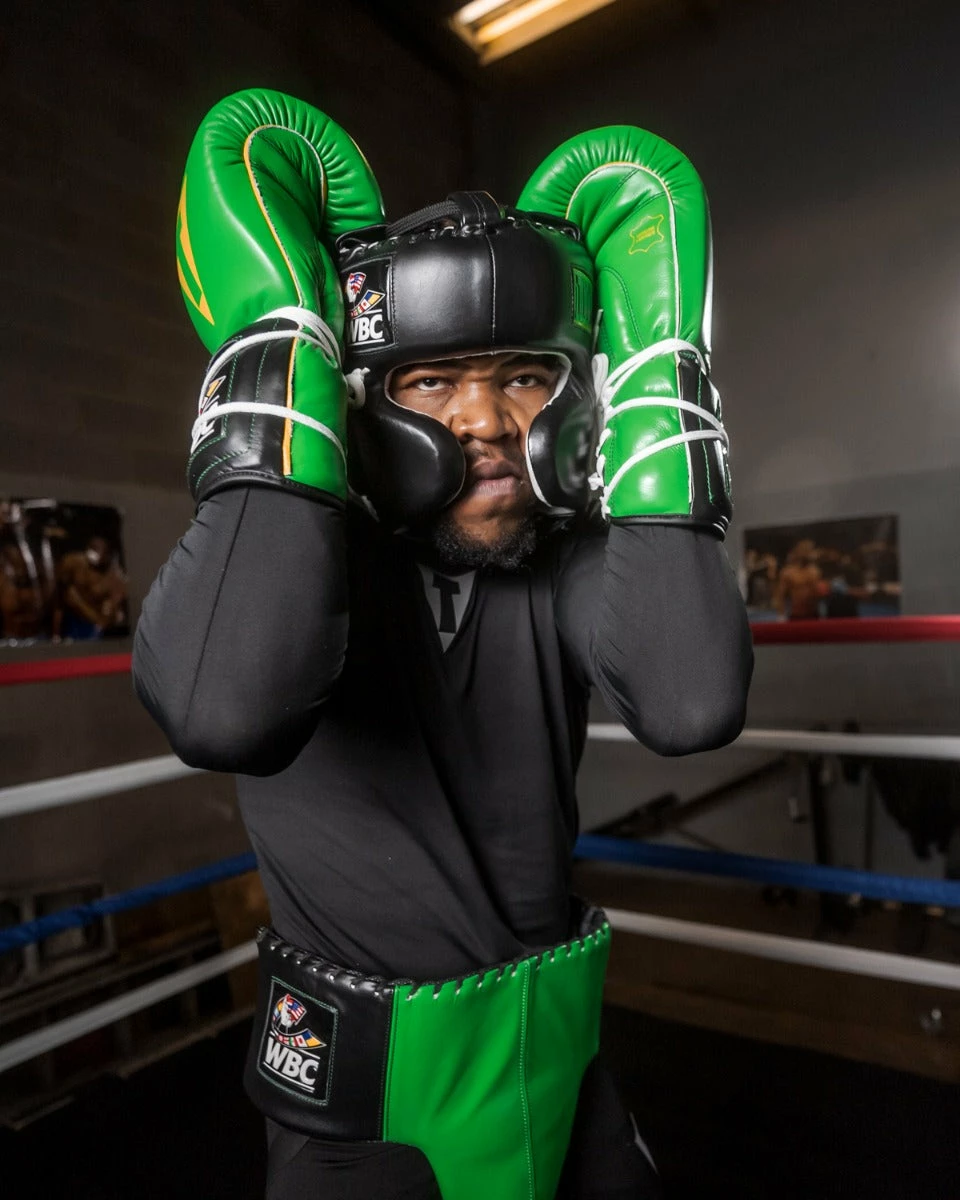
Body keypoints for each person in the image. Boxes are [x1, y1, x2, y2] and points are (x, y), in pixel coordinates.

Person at [134, 90, 752, 1200]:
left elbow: (691, 697)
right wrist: (277, 362)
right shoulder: (302, 556)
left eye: (522, 374)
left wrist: (663, 374)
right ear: (366, 401)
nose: (484, 419)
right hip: (363, 1120)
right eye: (433, 379)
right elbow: (224, 709)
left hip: (558, 1069)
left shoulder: (560, 559)